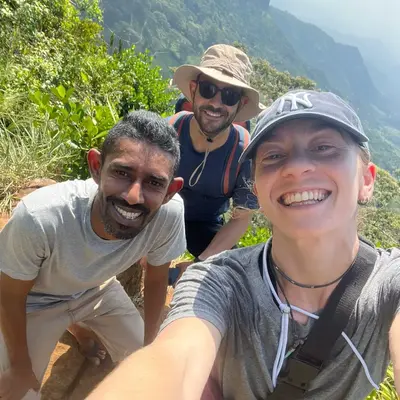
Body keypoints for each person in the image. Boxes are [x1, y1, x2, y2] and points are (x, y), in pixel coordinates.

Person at [88, 90, 400, 400]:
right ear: (257, 190)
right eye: (274, 155)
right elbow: (174, 359)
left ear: (366, 180)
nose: (296, 167)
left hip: (202, 225)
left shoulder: (390, 286)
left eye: (324, 147)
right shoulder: (218, 283)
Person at [0, 110, 186, 400]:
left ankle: (76, 324)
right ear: (97, 167)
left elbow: (156, 278)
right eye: (122, 173)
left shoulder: (169, 216)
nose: (133, 196)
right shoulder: (41, 217)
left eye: (154, 183)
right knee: (19, 391)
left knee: (152, 368)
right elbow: (9, 294)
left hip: (97, 290)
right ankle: (73, 326)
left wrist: (150, 347)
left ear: (170, 191)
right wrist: (20, 367)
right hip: (34, 302)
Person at [167, 44, 263, 283]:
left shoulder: (244, 153)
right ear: (193, 89)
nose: (216, 104)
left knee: (233, 274)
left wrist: (200, 264)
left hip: (205, 225)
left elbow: (240, 218)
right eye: (208, 89)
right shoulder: (169, 131)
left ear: (240, 104)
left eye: (229, 96)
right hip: (160, 213)